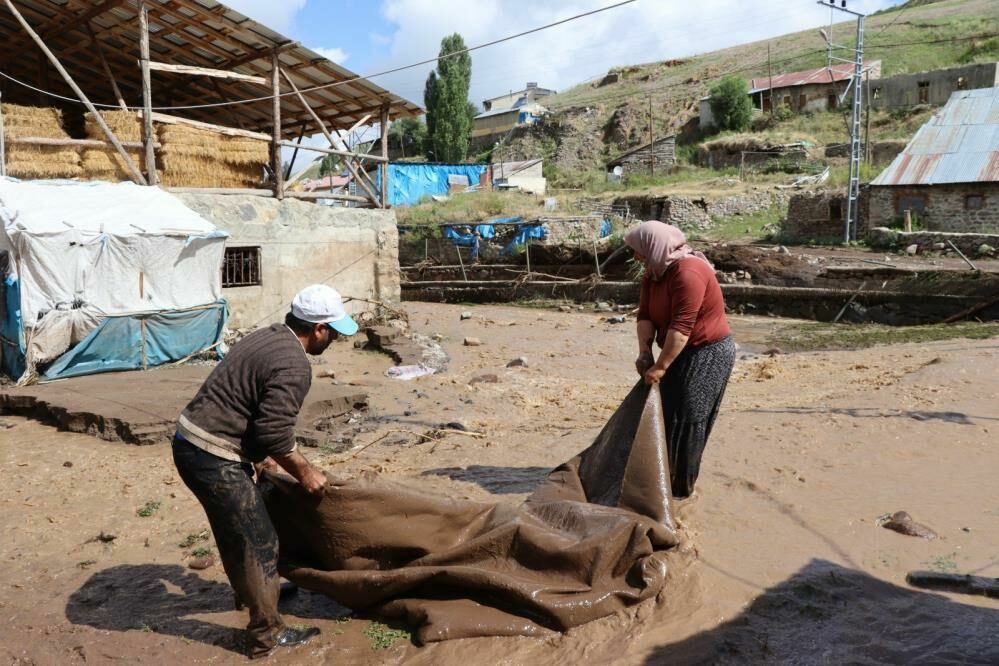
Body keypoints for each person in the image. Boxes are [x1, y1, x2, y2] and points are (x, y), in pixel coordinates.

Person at [171, 284, 359, 658]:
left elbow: (249, 404)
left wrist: (260, 457)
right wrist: (305, 471)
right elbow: (273, 430)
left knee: (235, 531)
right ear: (318, 329)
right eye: (334, 331)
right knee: (260, 541)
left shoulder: (270, 336)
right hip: (212, 454)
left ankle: (256, 595)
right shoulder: (294, 364)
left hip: (192, 441)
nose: (336, 338)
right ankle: (265, 636)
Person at [624, 221, 735, 499]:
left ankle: (682, 490)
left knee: (688, 418)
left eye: (639, 251)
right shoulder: (653, 273)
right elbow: (645, 316)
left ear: (654, 247)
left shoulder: (689, 273)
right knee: (666, 413)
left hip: (706, 353)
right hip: (676, 350)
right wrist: (644, 352)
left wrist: (661, 367)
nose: (637, 257)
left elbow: (682, 328)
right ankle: (661, 477)